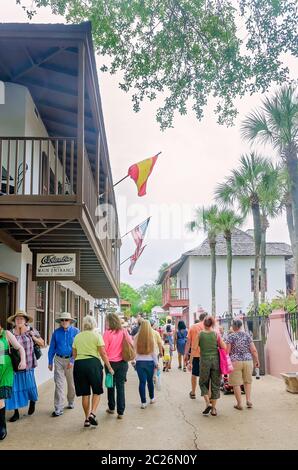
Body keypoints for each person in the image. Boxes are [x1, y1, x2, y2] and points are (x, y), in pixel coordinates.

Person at [72, 315, 114, 427]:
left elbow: (74, 354)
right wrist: (109, 367)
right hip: (93, 364)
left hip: (79, 364)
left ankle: (86, 419)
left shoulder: (77, 336)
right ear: (94, 324)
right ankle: (93, 414)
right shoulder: (97, 336)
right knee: (97, 391)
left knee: (85, 394)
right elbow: (103, 353)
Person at [6, 310, 44, 422]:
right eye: (17, 319)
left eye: (21, 319)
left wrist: (34, 337)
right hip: (15, 366)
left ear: (26, 321)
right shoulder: (10, 333)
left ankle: (32, 401)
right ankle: (16, 412)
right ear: (14, 321)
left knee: (30, 386)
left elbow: (42, 343)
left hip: (29, 364)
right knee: (15, 389)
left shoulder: (31, 330)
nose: (19, 321)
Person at [192, 315, 226, 417]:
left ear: (203, 323)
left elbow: (194, 348)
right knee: (215, 384)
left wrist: (189, 361)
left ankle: (207, 403)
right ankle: (214, 409)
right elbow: (223, 346)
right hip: (216, 361)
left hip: (204, 362)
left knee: (203, 382)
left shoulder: (200, 334)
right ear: (212, 324)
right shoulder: (216, 334)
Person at [48, 312, 79, 417]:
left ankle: (71, 401)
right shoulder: (56, 333)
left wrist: (72, 361)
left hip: (70, 360)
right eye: (62, 320)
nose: (64, 322)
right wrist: (49, 362)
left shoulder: (76, 332)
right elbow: (52, 348)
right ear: (60, 322)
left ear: (70, 321)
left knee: (71, 384)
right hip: (58, 360)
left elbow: (78, 348)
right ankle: (58, 408)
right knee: (59, 384)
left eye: (66, 320)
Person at [103, 313, 133, 419]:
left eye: (106, 321)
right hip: (122, 363)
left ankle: (111, 408)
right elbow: (131, 343)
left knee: (110, 386)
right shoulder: (124, 331)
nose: (105, 323)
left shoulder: (107, 333)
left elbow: (104, 351)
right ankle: (121, 412)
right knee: (121, 387)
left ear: (110, 321)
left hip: (110, 363)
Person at [0, 320, 26, 440]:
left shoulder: (6, 334)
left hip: (6, 370)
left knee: (0, 398)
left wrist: (23, 360)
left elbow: (20, 348)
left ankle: (2, 427)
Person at [226, 319, 260, 410]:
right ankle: (248, 400)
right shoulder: (247, 335)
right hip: (248, 360)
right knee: (247, 381)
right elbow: (253, 350)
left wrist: (226, 362)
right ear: (240, 326)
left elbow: (227, 352)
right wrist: (257, 360)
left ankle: (239, 404)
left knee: (236, 383)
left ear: (234, 326)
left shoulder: (230, 336)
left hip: (235, 361)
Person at [134, 320, 158, 409]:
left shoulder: (136, 336)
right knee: (150, 381)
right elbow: (153, 352)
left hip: (140, 363)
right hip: (150, 362)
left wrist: (135, 360)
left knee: (142, 382)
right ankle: (152, 398)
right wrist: (156, 363)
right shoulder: (151, 336)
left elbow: (134, 350)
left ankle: (143, 402)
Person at [184, 312, 207, 399]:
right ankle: (207, 394)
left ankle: (193, 392)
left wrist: (186, 354)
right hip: (207, 355)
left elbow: (188, 342)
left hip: (195, 354)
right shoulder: (209, 327)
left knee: (194, 374)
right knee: (206, 375)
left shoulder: (193, 327)